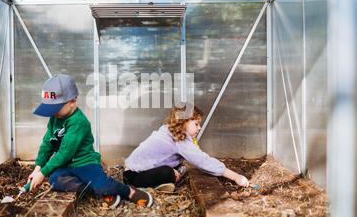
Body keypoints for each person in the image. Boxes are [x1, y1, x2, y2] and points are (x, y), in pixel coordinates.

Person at [26, 74, 153, 208]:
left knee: (102, 184)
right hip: (66, 166)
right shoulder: (55, 118)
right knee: (55, 181)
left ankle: (128, 192)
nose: (52, 113)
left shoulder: (78, 122)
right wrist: (38, 168)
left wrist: (42, 174)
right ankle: (96, 190)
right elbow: (48, 143)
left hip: (85, 163)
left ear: (72, 102)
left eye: (55, 108)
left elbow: (65, 152)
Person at [123, 104, 250, 192]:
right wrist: (236, 177)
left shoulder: (170, 131)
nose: (199, 128)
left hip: (134, 169)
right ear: (183, 123)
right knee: (167, 172)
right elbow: (203, 161)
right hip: (135, 176)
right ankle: (148, 186)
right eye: (196, 124)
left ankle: (165, 180)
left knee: (177, 168)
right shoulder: (179, 139)